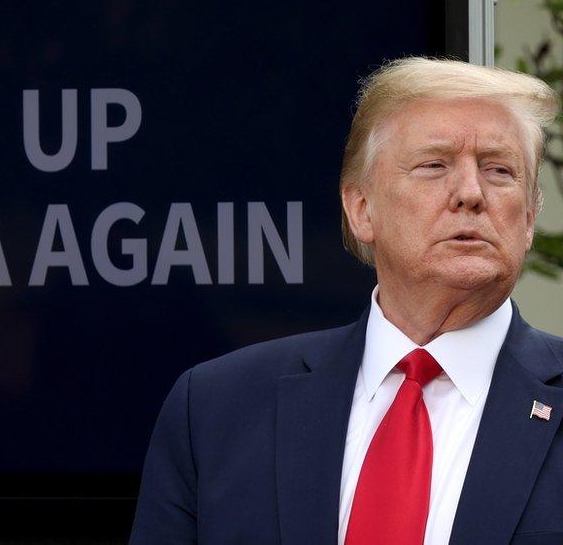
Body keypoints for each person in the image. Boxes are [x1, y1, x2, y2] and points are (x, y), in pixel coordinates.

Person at [129, 57, 563, 545]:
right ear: (361, 210)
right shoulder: (215, 409)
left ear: (528, 219)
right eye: (434, 165)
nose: (469, 192)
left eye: (499, 170)